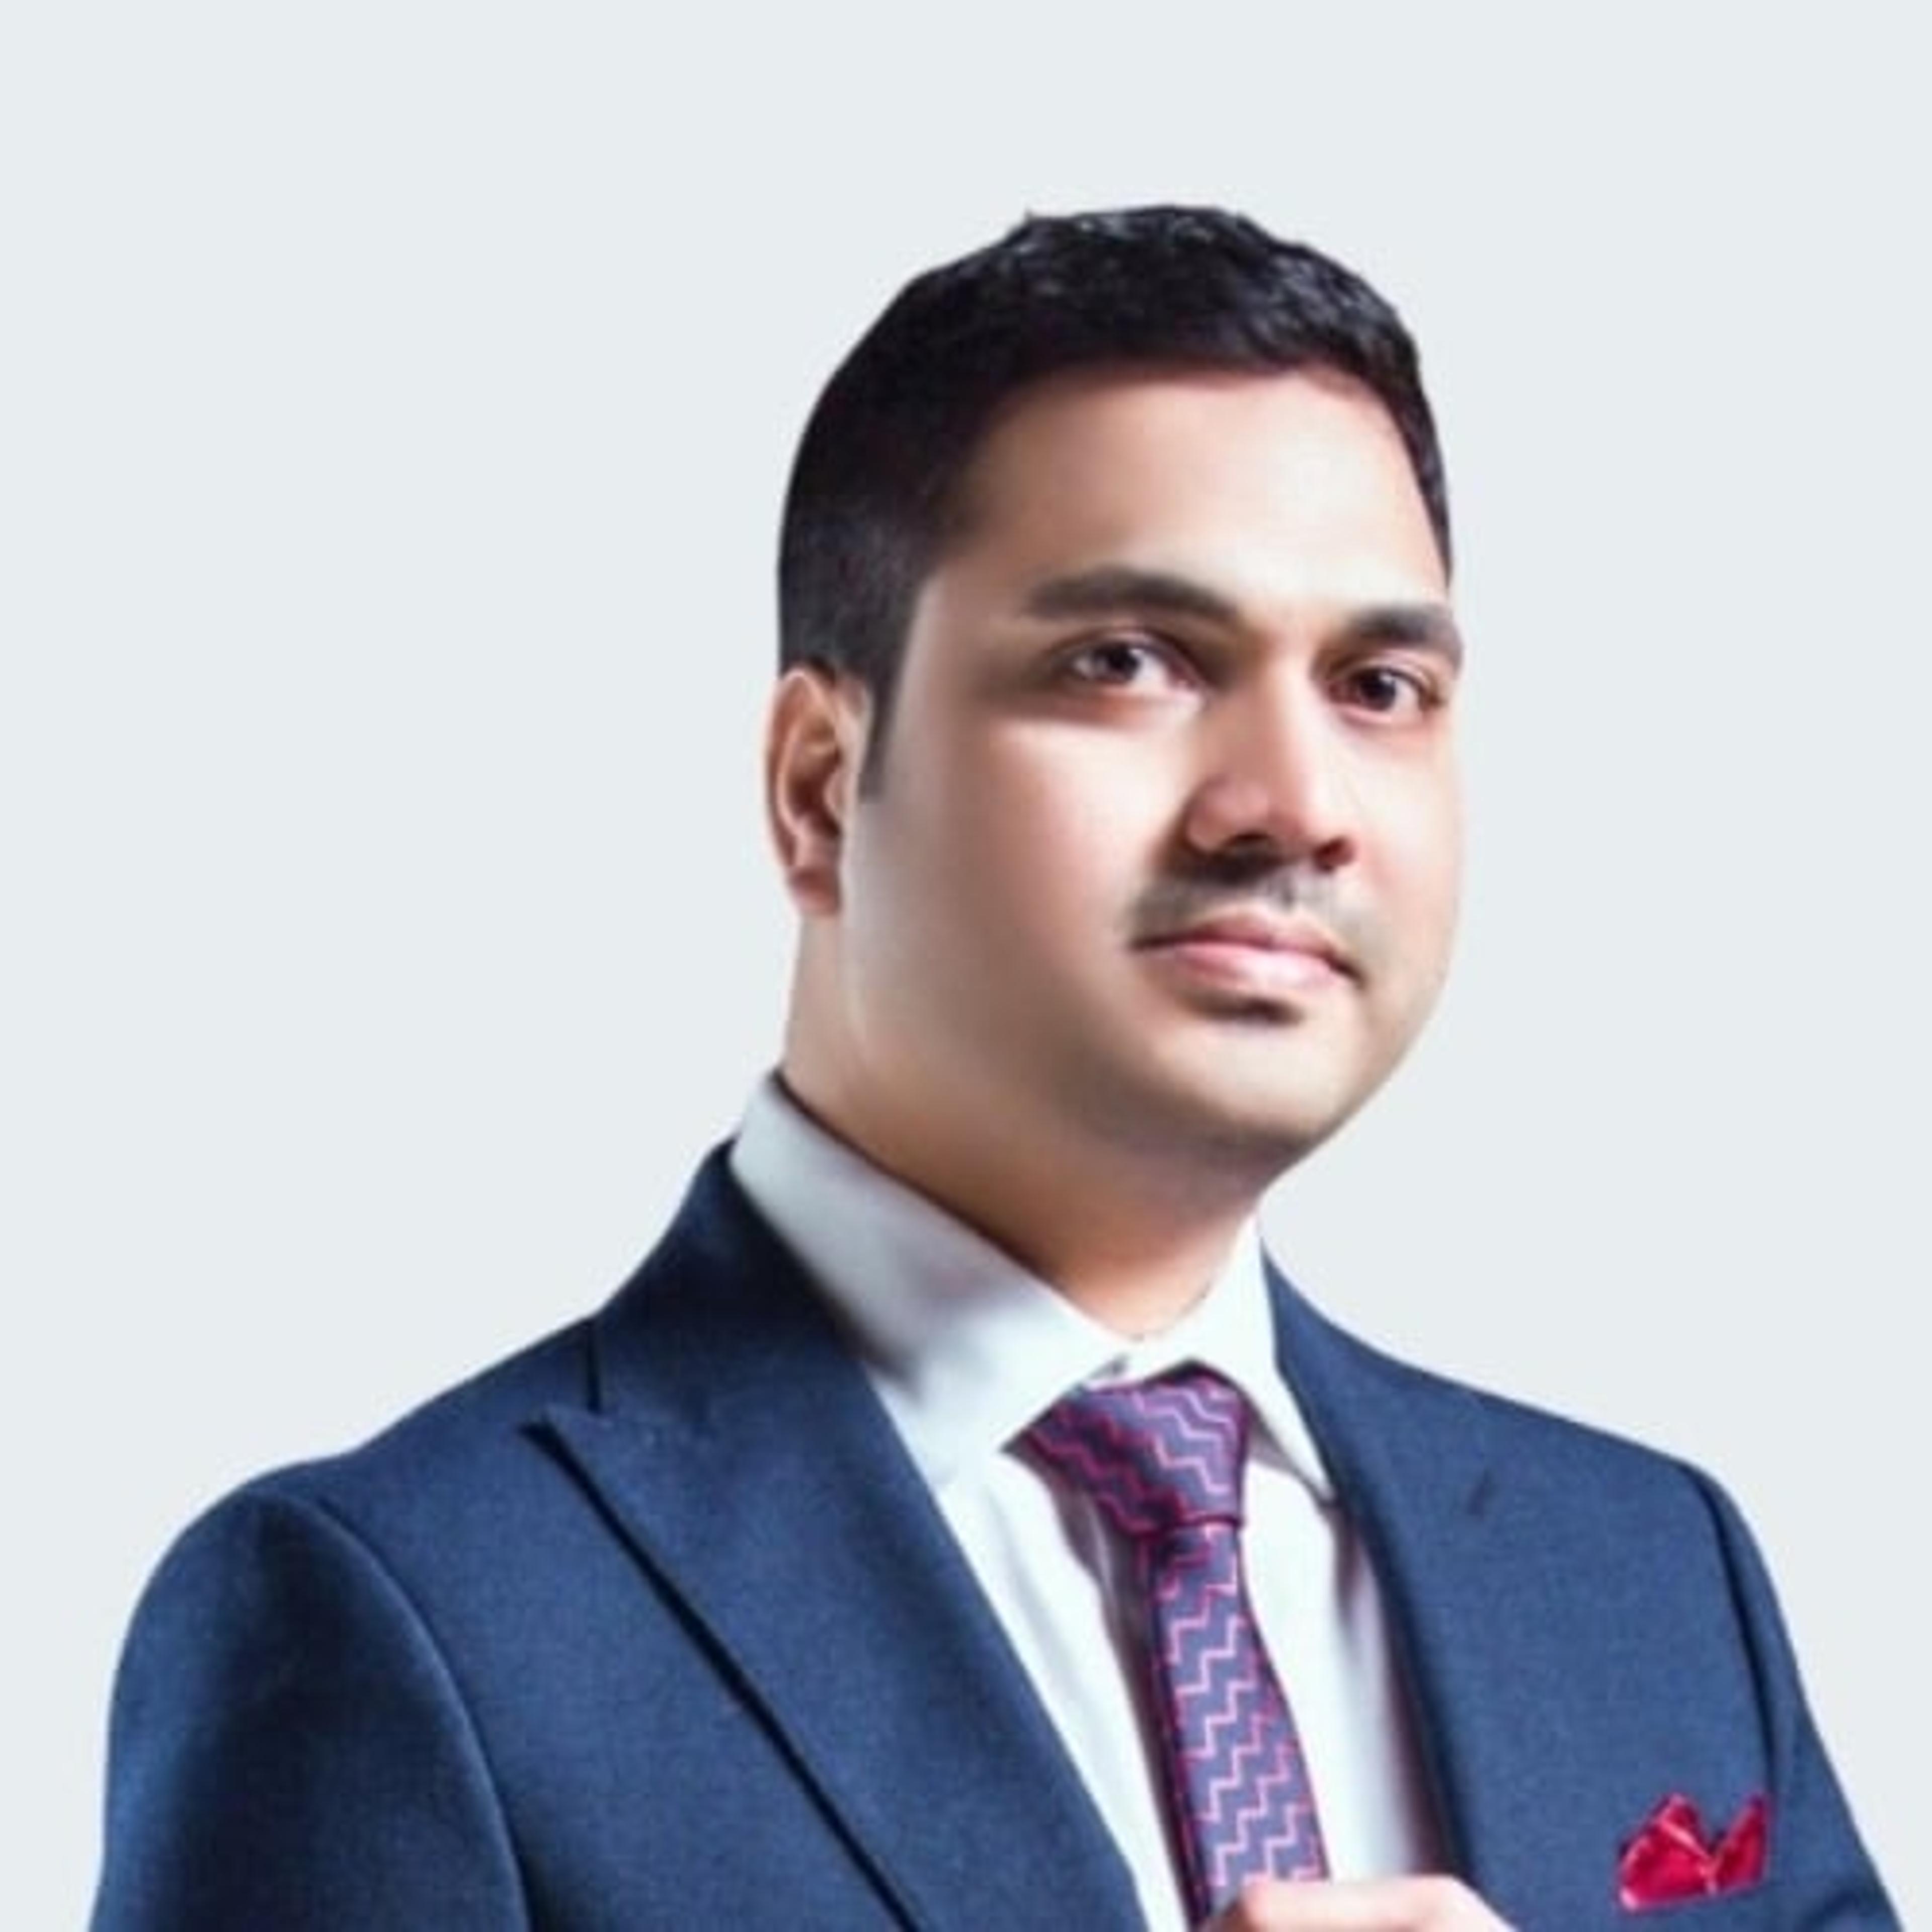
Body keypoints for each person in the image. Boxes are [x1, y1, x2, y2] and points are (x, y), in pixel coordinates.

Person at [91, 206, 1893, 1931]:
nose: (1295, 805)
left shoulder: (1650, 1574)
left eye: (1378, 687)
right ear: (819, 788)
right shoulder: (402, 1617)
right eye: (1129, 662)